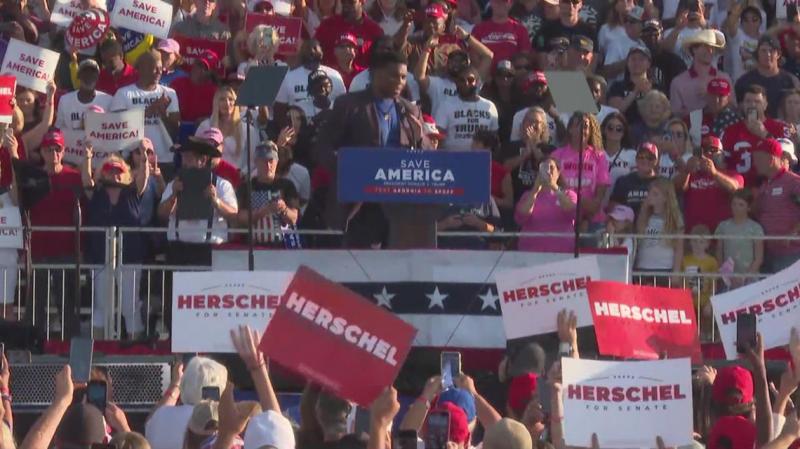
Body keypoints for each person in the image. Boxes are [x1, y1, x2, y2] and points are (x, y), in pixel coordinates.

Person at [314, 50, 434, 249]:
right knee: (359, 270)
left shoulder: (409, 110)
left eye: (403, 77)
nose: (399, 82)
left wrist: (422, 142)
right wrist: (350, 168)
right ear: (375, 74)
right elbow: (322, 148)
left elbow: (428, 155)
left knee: (397, 267)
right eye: (393, 75)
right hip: (359, 206)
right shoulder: (349, 105)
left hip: (400, 206)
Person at [80, 149, 149, 339]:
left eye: (118, 170)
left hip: (130, 257)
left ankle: (135, 350)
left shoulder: (133, 192)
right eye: (110, 169)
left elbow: (143, 178)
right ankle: (100, 351)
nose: (114, 173)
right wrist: (88, 156)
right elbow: (86, 180)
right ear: (103, 173)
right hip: (100, 257)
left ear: (125, 172)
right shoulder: (97, 193)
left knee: (130, 306)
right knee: (101, 306)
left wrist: (144, 158)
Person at [27, 129, 83, 337]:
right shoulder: (33, 177)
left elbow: (84, 208)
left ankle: (69, 346)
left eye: (57, 149)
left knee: (67, 302)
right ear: (42, 152)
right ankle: (34, 344)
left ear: (64, 151)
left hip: (66, 251)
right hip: (39, 251)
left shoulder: (75, 177)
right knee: (36, 303)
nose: (54, 154)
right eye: (49, 149)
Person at [157, 138, 238, 266]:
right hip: (179, 250)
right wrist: (173, 196)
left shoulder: (222, 185)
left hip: (210, 251)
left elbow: (234, 215)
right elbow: (161, 213)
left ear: (203, 160)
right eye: (182, 157)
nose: (184, 162)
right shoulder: (174, 184)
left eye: (188, 158)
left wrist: (216, 201)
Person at [111, 51, 180, 170]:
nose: (159, 72)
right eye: (154, 68)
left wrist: (163, 114)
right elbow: (117, 127)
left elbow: (176, 127)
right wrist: (149, 110)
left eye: (160, 68)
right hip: (133, 160)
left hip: (163, 159)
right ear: (141, 69)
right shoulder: (123, 94)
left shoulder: (169, 93)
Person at [552, 112, 609, 239]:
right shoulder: (557, 155)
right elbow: (553, 188)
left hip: (593, 219)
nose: (583, 129)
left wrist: (585, 218)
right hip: (563, 217)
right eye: (579, 125)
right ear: (570, 129)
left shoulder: (599, 157)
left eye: (586, 126)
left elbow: (596, 202)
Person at [722, 84, 790, 186]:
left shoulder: (780, 128)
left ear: (765, 104)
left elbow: (786, 160)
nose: (752, 105)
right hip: (741, 189)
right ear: (742, 105)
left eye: (757, 101)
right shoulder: (730, 131)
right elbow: (724, 163)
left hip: (771, 186)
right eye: (748, 101)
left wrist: (765, 135)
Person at [236, 142, 301, 248]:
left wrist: (284, 209)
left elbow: (294, 218)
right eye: (263, 161)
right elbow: (240, 218)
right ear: (256, 162)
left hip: (282, 246)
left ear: (277, 162)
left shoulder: (287, 185)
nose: (268, 165)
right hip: (254, 247)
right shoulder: (246, 187)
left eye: (271, 161)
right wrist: (264, 211)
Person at [675, 134, 744, 232]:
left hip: (721, 237)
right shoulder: (691, 174)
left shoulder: (731, 174)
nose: (708, 155)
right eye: (704, 151)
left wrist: (714, 173)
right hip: (695, 238)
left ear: (722, 154)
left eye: (713, 151)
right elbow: (676, 189)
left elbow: (736, 189)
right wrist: (686, 171)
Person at [752, 138, 800, 272]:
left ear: (772, 159)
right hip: (769, 254)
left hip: (792, 254)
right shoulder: (765, 184)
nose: (755, 163)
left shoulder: (793, 182)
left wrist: (793, 232)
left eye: (758, 158)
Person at [55, 59, 113, 166]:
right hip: (72, 161)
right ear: (78, 76)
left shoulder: (108, 100)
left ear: (97, 77)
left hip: (99, 163)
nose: (89, 77)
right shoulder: (65, 100)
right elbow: (58, 130)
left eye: (93, 73)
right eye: (85, 73)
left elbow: (113, 132)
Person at [273, 39, 347, 121]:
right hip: (300, 129)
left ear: (322, 52)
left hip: (328, 127)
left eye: (315, 48)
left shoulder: (334, 75)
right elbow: (279, 110)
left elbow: (345, 105)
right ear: (301, 53)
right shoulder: (289, 77)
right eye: (307, 49)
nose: (312, 51)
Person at [515, 156, 577, 252]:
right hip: (530, 252)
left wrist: (554, 187)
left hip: (562, 252)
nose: (548, 171)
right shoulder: (528, 195)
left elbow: (572, 211)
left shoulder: (569, 194)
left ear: (558, 172)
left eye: (552, 168)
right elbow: (521, 217)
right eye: (544, 168)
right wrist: (535, 190)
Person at [434, 67, 499, 151]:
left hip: (481, 159)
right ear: (456, 82)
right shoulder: (445, 105)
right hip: (452, 159)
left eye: (470, 80)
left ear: (477, 82)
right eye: (461, 80)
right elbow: (438, 137)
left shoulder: (489, 106)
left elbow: (494, 137)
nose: (466, 83)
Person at [196, 86, 261, 171]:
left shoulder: (248, 129)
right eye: (222, 99)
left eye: (231, 99)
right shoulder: (205, 126)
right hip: (211, 176)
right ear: (216, 103)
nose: (227, 103)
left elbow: (255, 159)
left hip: (238, 176)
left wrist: (243, 174)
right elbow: (195, 154)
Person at [669, 29, 731, 117]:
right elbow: (676, 114)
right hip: (691, 129)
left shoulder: (725, 78)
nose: (710, 51)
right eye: (705, 47)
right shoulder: (678, 82)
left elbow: (734, 108)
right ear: (694, 49)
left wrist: (714, 100)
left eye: (712, 48)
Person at [735, 36, 800, 118]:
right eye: (763, 51)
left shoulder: (791, 81)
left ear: (778, 54)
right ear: (757, 54)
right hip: (753, 126)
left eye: (771, 51)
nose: (768, 54)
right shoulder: (744, 81)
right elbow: (740, 110)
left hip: (783, 128)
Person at [634, 177, 684, 281]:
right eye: (650, 193)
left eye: (655, 194)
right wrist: (644, 208)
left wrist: (676, 272)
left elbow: (679, 248)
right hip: (643, 268)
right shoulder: (645, 216)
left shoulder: (675, 219)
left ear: (666, 197)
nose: (650, 197)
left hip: (664, 269)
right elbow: (640, 232)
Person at [715, 188, 764, 286]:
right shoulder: (723, 226)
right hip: (728, 278)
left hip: (750, 279)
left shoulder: (755, 228)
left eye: (741, 205)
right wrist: (726, 275)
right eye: (734, 204)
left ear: (748, 207)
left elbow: (759, 258)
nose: (736, 207)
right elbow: (719, 253)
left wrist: (745, 277)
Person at [314, 0, 384, 68]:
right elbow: (313, 49)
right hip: (331, 77)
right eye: (343, 2)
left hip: (362, 78)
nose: (346, 5)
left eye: (351, 2)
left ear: (362, 1)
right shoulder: (327, 25)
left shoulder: (374, 31)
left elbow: (381, 63)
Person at [680, 224, 718, 337]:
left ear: (707, 244)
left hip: (705, 301)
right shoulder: (684, 260)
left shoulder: (712, 262)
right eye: (695, 241)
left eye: (701, 242)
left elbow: (714, 285)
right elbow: (681, 280)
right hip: (688, 302)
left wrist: (709, 303)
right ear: (690, 242)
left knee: (706, 330)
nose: (697, 245)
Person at [470, 0, 532, 65]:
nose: (500, 5)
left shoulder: (520, 29)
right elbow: (473, 55)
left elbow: (525, 55)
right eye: (497, 2)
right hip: (484, 72)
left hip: (511, 72)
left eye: (504, 2)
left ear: (510, 4)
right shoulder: (478, 29)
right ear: (491, 3)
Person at [607, 46, 657, 123]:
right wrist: (635, 91)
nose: (637, 62)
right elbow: (615, 111)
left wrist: (649, 94)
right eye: (633, 59)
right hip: (625, 127)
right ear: (627, 63)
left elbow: (662, 113)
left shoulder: (657, 87)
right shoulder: (617, 86)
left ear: (649, 64)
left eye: (641, 59)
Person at [608, 141, 659, 216]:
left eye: (650, 158)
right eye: (641, 157)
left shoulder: (662, 184)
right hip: (627, 224)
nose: (645, 160)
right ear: (636, 159)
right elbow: (612, 208)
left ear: (656, 161)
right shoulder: (623, 181)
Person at [169, 50, 219, 124]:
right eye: (199, 65)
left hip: (201, 132)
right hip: (175, 128)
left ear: (211, 72)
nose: (200, 70)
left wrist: (208, 119)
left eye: (205, 68)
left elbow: (220, 116)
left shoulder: (215, 92)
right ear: (194, 63)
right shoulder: (177, 83)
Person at [601, 6, 646, 82]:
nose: (628, 23)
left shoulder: (643, 44)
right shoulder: (616, 43)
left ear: (642, 25)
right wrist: (629, 60)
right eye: (626, 20)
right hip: (618, 89)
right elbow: (606, 72)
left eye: (632, 21)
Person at [640, 19, 686, 91]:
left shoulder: (674, 61)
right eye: (647, 33)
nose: (651, 37)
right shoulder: (636, 61)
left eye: (655, 33)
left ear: (662, 35)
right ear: (641, 37)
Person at [721, 3, 761, 82]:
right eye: (746, 20)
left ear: (760, 22)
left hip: (758, 85)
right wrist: (737, 8)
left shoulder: (764, 39)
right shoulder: (737, 36)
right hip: (739, 83)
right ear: (741, 23)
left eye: (754, 19)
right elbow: (731, 23)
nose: (750, 23)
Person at [601, 112, 636, 189]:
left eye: (619, 129)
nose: (614, 131)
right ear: (603, 130)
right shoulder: (594, 153)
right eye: (610, 127)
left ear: (624, 132)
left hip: (620, 199)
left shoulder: (632, 155)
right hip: (595, 199)